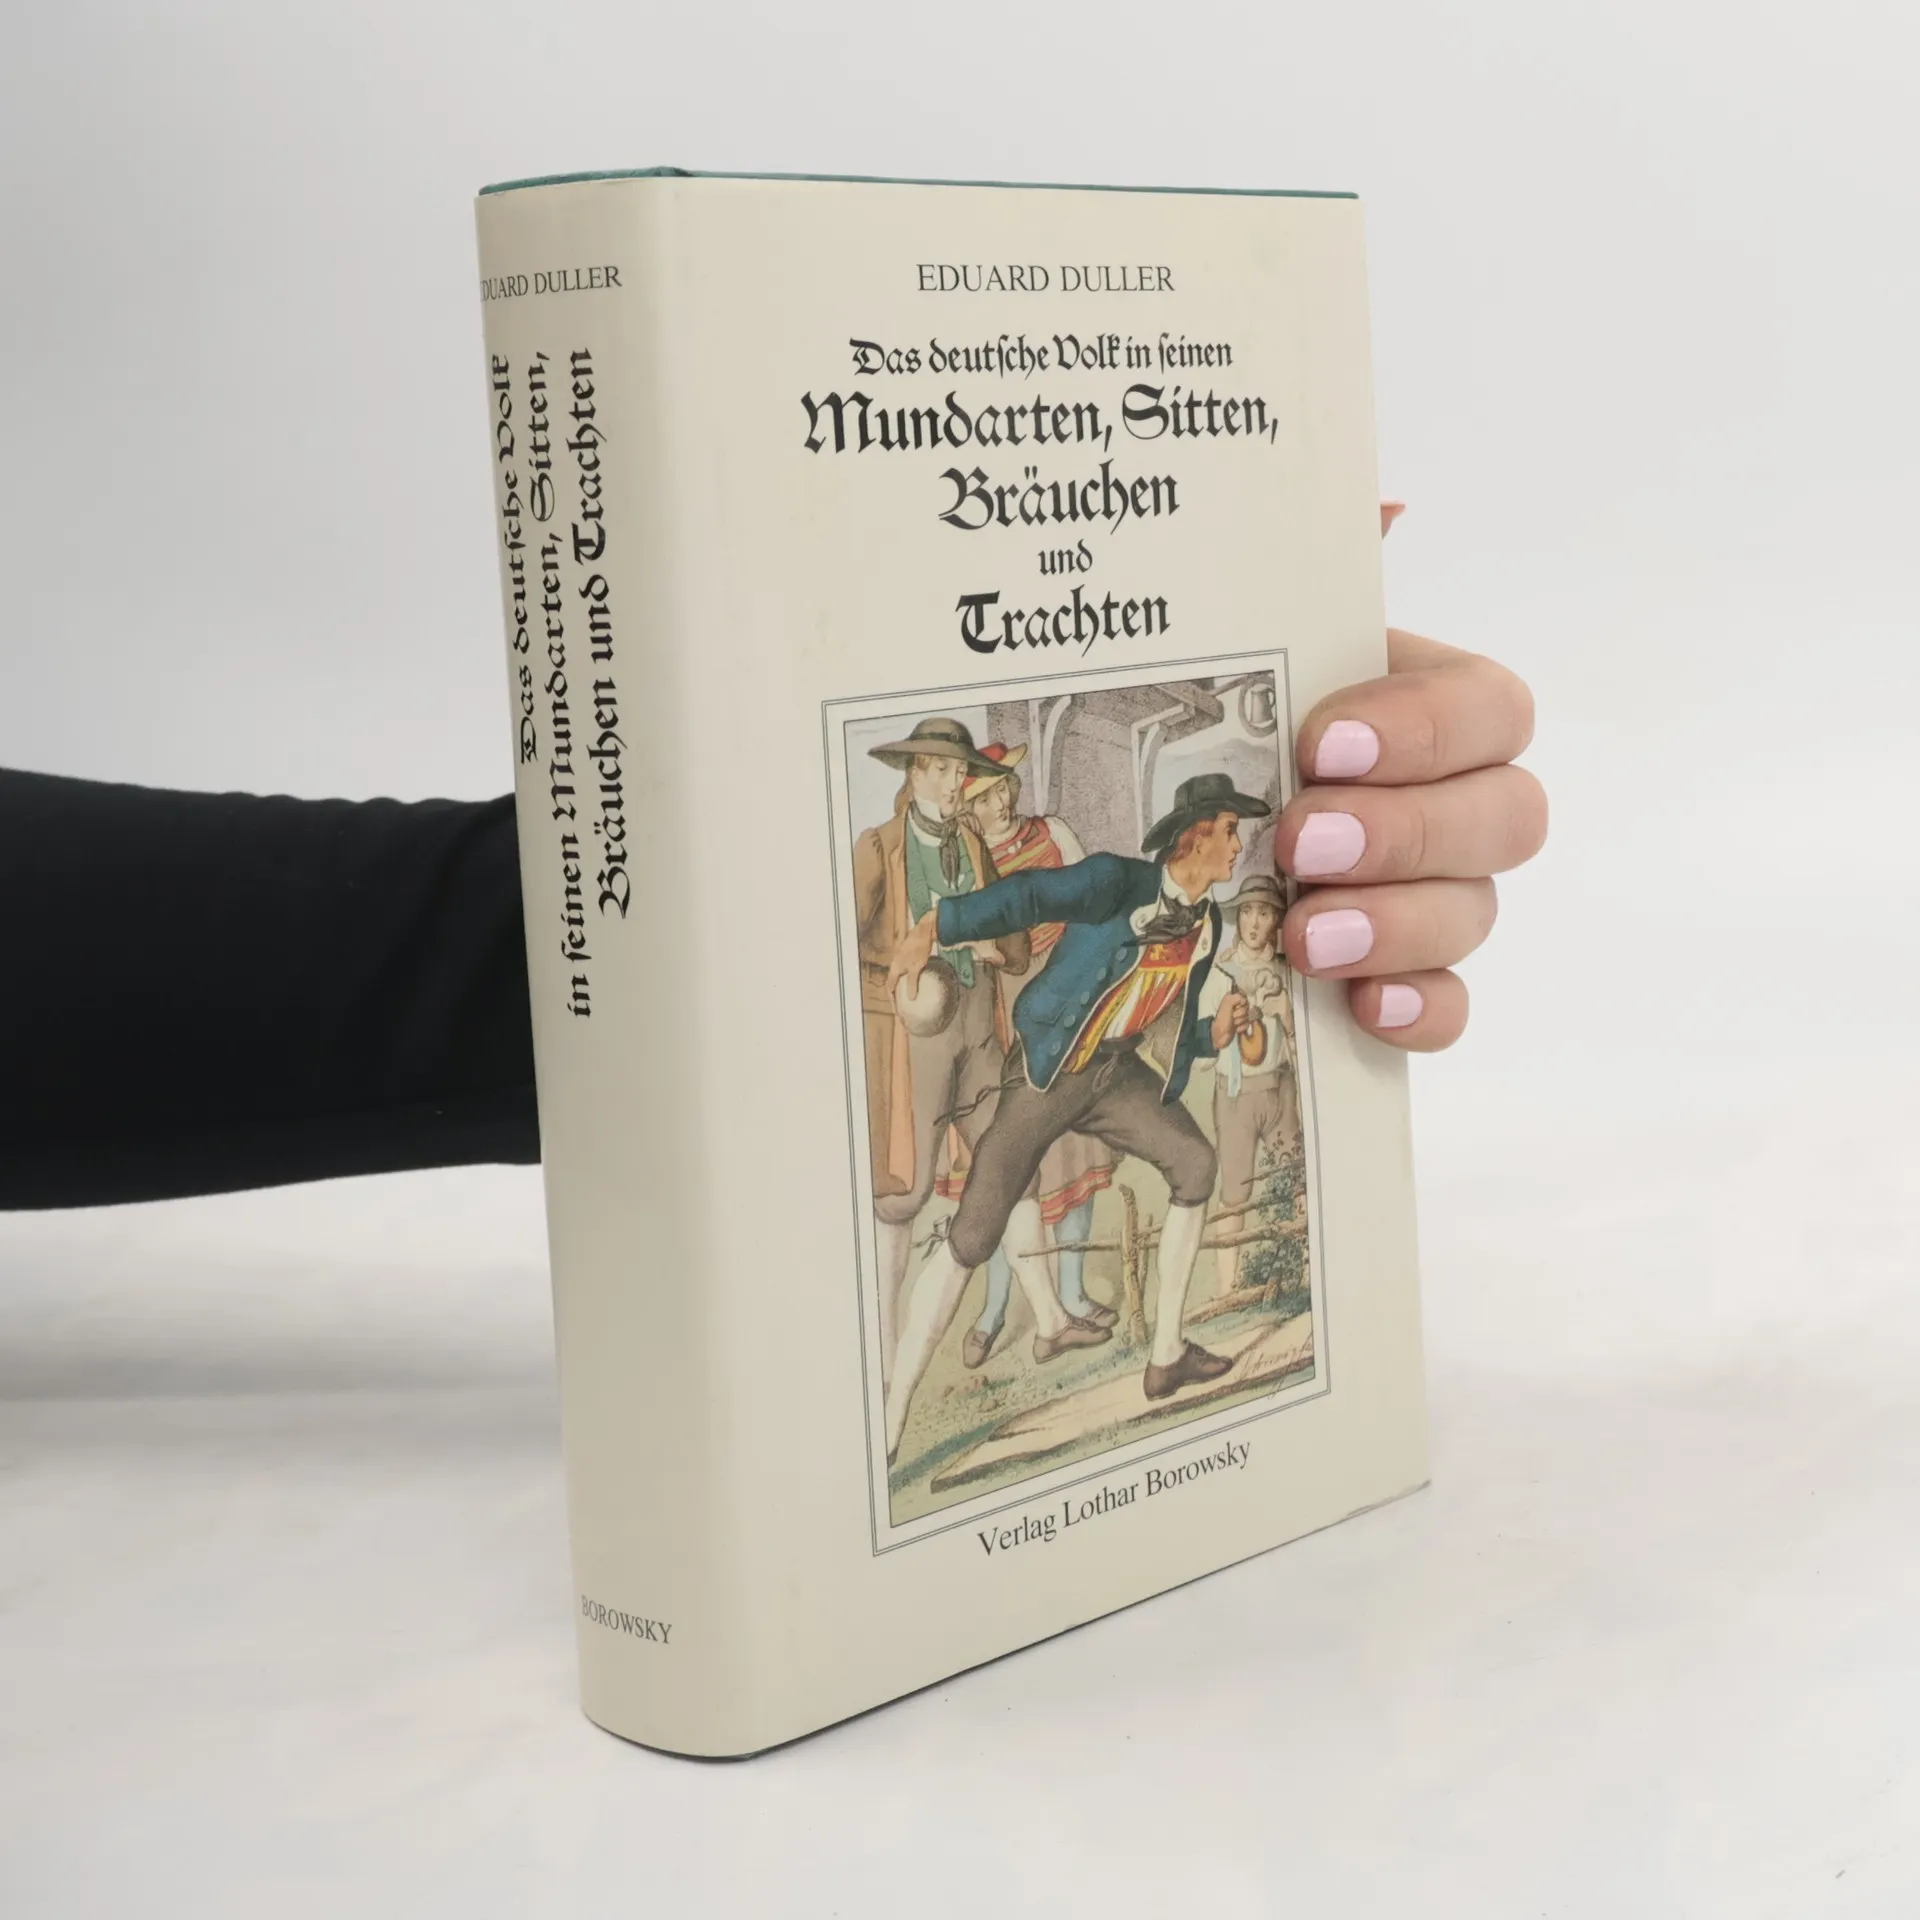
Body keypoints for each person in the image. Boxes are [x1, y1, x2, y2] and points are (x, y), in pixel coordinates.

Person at [882, 771, 1271, 1462]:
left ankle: (1166, 1356)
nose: (1238, 847)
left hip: (1114, 1072)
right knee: (973, 1233)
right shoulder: (1114, 882)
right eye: (1230, 832)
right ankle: (892, 1413)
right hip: (1049, 1069)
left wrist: (1209, 1037)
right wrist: (936, 926)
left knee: (1196, 1163)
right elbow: (1029, 896)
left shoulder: (1207, 924)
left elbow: (1164, 1022)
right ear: (1193, 838)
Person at [848, 717, 1106, 1389]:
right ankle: (881, 1357)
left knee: (1011, 1164)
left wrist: (992, 947)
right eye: (939, 768)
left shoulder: (971, 844)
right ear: (914, 772)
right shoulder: (878, 849)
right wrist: (903, 974)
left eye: (959, 770)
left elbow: (1013, 937)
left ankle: (1050, 1321)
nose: (952, 781)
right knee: (901, 1194)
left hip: (978, 1029)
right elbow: (837, 948)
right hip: (913, 1039)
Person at [946, 742, 1119, 1367]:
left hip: (1065, 994)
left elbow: (1097, 907)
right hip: (1002, 1011)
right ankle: (994, 1309)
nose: (999, 804)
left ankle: (1070, 1293)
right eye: (983, 798)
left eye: (1002, 790)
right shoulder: (967, 861)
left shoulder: (1053, 834)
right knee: (1007, 1162)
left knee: (1074, 1148)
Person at [1198, 873, 1302, 1298]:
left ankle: (1298, 1275)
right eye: (1246, 912)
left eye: (1263, 913)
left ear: (1276, 920)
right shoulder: (1219, 972)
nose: (1254, 923)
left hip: (1280, 1090)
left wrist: (1285, 1014)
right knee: (1234, 1192)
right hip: (1236, 1095)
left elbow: (1304, 1053)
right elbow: (1203, 1047)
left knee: (1293, 1180)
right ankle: (1227, 1292)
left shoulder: (1287, 972)